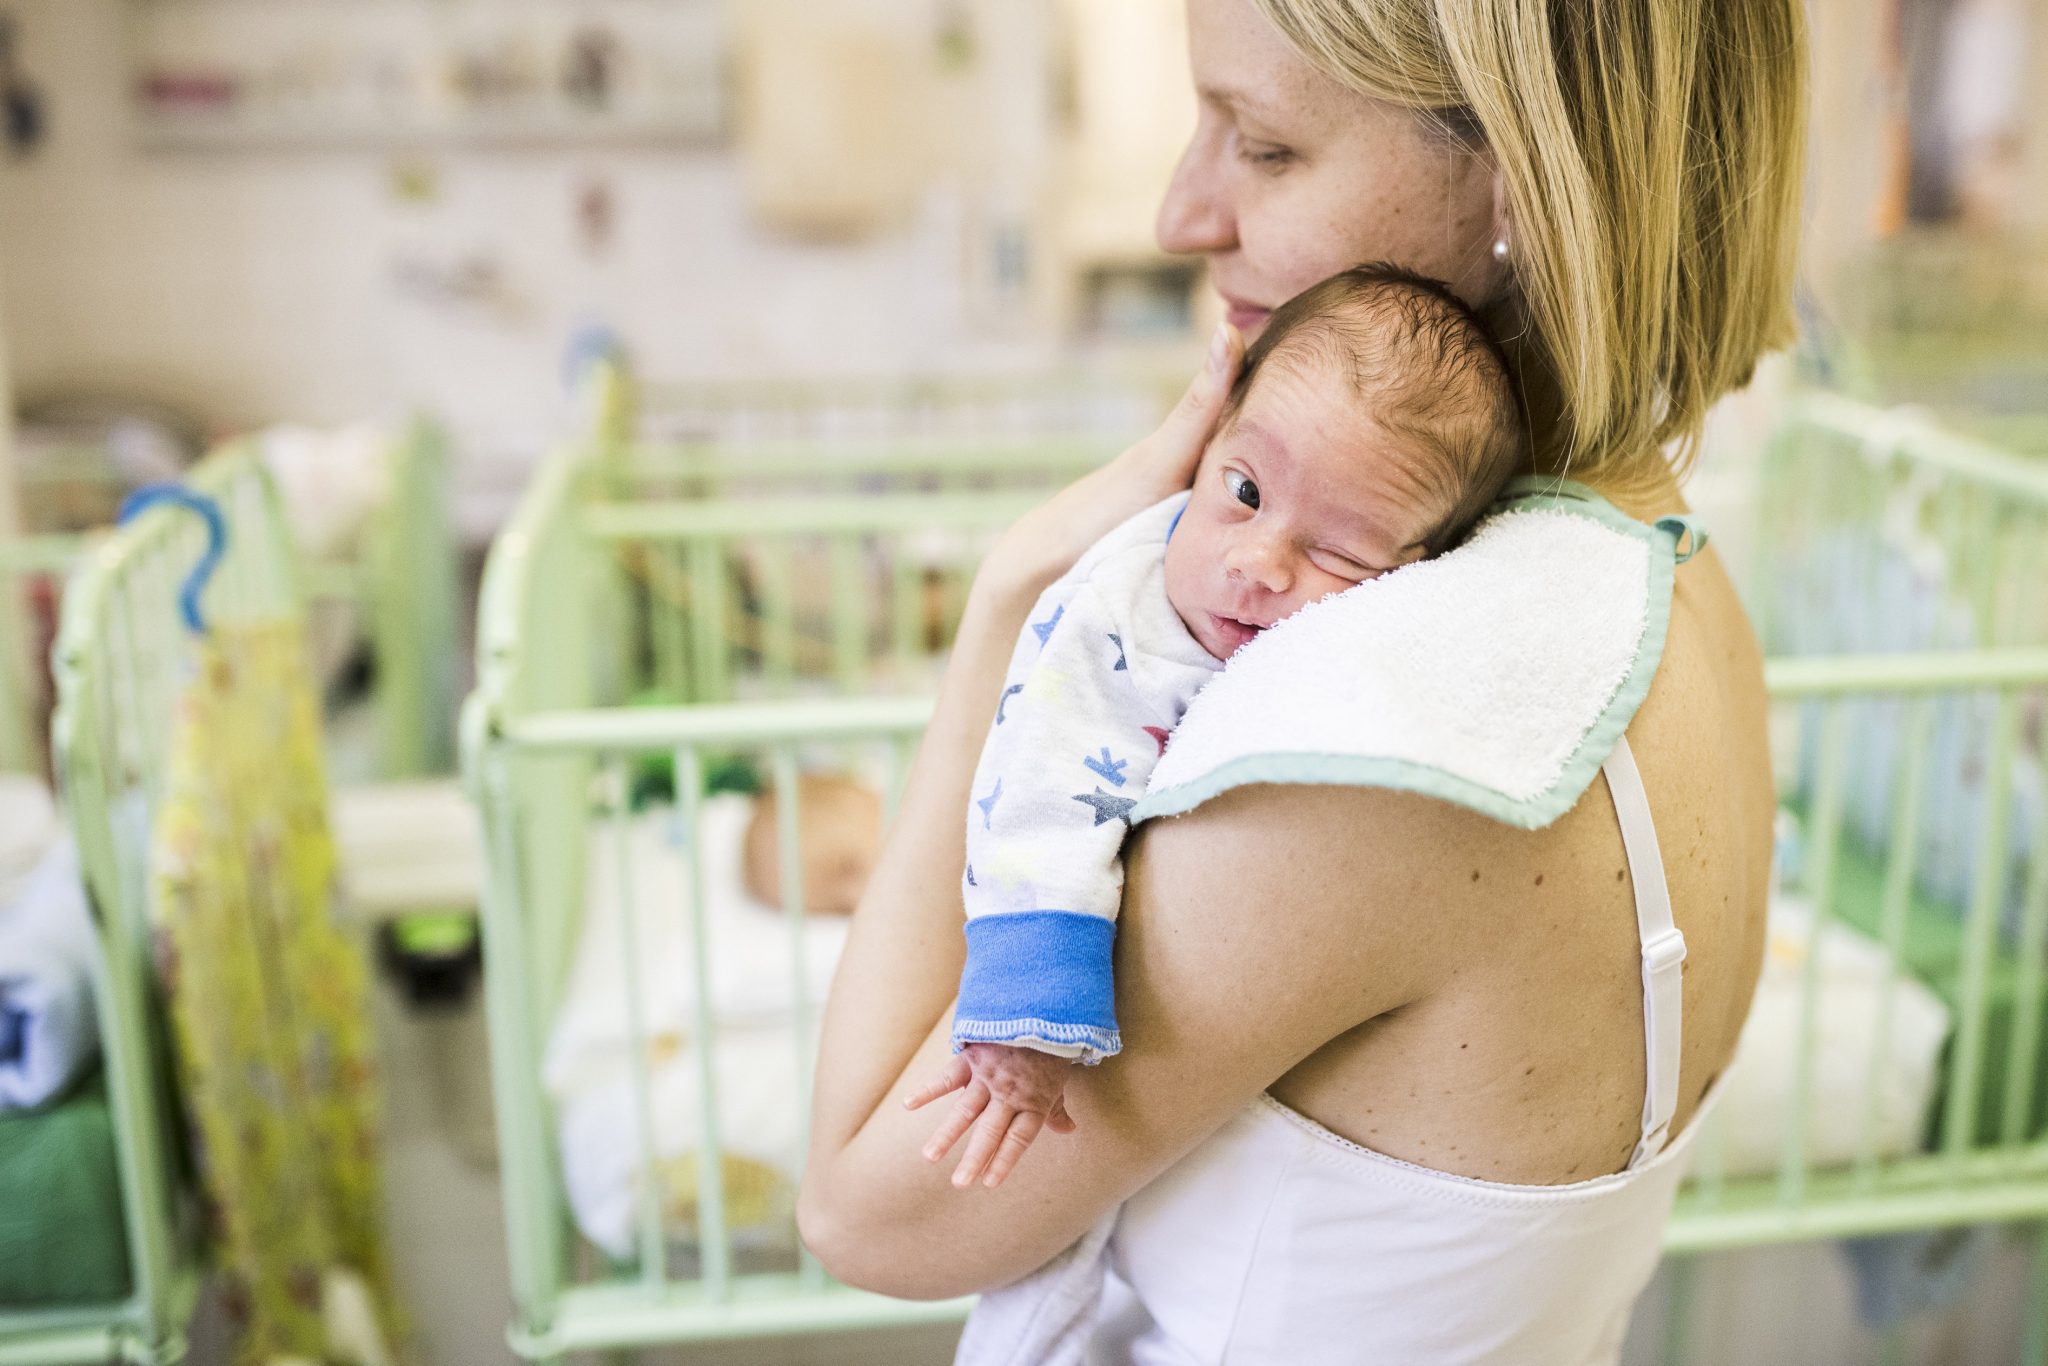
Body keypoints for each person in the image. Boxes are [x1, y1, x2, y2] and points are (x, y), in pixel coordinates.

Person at [798, 0, 1802, 1359]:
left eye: (1262, 146)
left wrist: (1007, 609)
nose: (1178, 213)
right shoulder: (1680, 581)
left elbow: (866, 1212)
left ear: (1519, 176)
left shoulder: (1382, 739)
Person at [906, 264, 1523, 1188]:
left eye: (1340, 554)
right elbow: (1042, 792)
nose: (1261, 562)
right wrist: (1025, 1014)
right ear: (1205, 443)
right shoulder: (1123, 624)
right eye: (1243, 492)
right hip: (1028, 976)